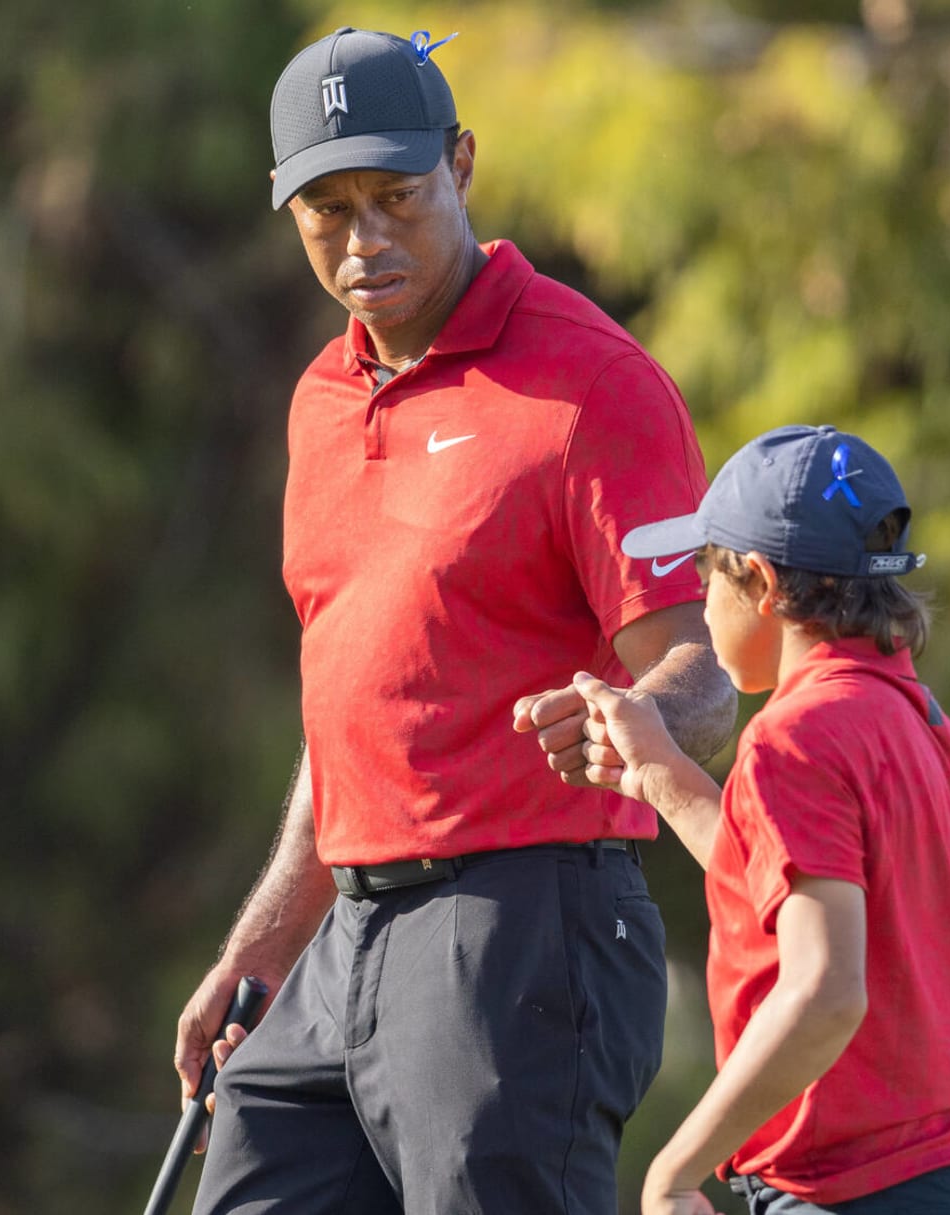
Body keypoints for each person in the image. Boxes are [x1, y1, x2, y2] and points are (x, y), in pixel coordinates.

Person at [169, 26, 737, 1215]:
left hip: (521, 928)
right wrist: (267, 939)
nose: (366, 238)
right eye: (329, 208)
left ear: (463, 164)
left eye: (398, 196)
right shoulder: (321, 403)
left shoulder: (592, 384)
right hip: (346, 945)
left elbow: (702, 665)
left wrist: (638, 722)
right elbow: (355, 716)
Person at [564, 425, 950, 1214]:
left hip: (855, 1193)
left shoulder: (796, 737)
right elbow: (787, 886)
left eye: (708, 573)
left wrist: (676, 1166)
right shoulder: (924, 723)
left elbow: (827, 989)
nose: (702, 607)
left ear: (763, 583)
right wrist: (662, 775)